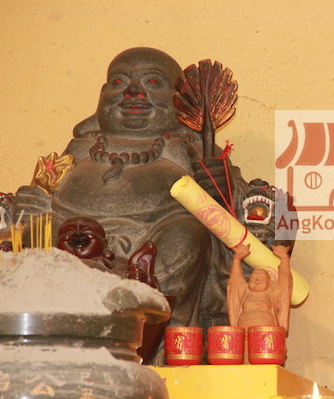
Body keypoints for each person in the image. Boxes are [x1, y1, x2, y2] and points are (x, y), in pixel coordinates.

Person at [13, 47, 247, 329]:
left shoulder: (192, 150)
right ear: (103, 95)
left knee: (187, 235)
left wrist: (224, 190)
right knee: (39, 231)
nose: (133, 93)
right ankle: (59, 326)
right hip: (73, 239)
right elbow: (43, 191)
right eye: (119, 82)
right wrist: (30, 206)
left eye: (152, 82)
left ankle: (158, 332)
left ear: (180, 101)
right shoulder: (80, 148)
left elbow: (244, 213)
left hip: (155, 245)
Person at [227, 243, 293, 331]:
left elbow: (285, 281)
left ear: (269, 283)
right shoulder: (243, 291)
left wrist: (284, 259)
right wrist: (237, 259)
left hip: (267, 334)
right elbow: (234, 279)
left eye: (262, 278)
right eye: (253, 278)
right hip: (244, 332)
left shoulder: (274, 292)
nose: (257, 280)